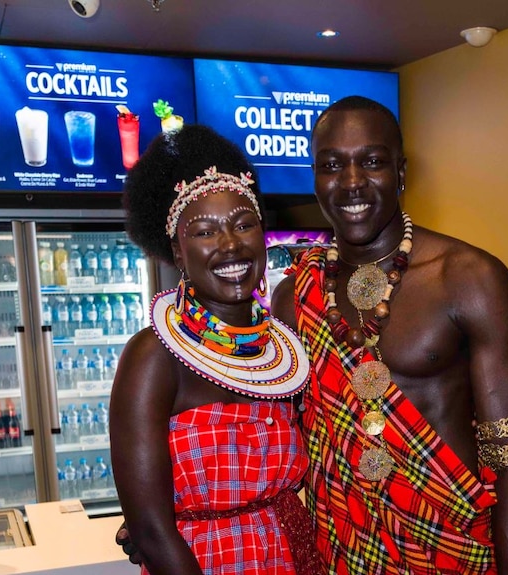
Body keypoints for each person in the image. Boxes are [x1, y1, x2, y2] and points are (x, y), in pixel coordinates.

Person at [269, 95, 508, 574]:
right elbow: (277, 445)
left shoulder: (469, 279)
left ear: (400, 171)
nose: (351, 183)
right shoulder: (295, 296)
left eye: (371, 162)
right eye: (331, 166)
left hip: (446, 549)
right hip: (341, 551)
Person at [110, 124, 322, 575]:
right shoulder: (154, 357)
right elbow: (149, 529)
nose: (230, 245)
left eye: (244, 225)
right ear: (177, 250)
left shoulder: (285, 348)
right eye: (205, 232)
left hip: (293, 554)